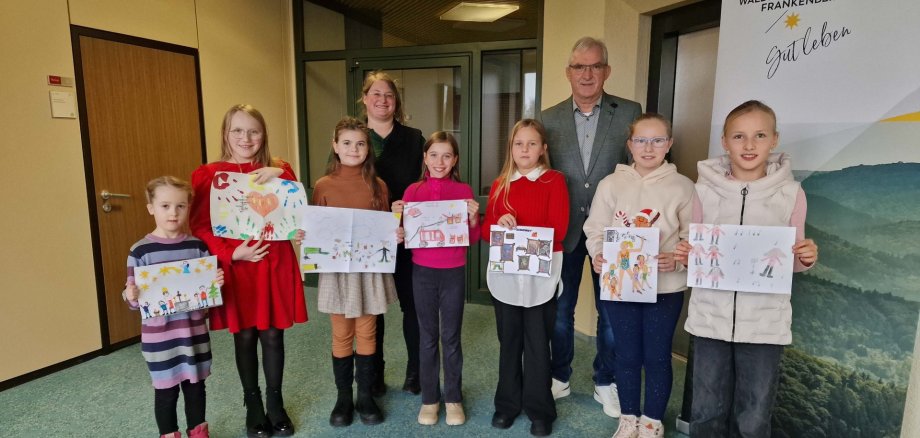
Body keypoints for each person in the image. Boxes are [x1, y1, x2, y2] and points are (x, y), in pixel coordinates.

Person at [674, 100, 819, 438]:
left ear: (774, 139)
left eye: (760, 135)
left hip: (765, 325)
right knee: (706, 411)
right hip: (710, 320)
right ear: (724, 141)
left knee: (754, 417)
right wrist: (687, 254)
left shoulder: (791, 194)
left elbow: (792, 261)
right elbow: (696, 252)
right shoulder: (703, 191)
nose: (749, 145)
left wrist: (806, 256)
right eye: (739, 136)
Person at [190, 104, 307, 438]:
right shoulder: (209, 174)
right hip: (239, 266)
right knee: (244, 335)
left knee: (273, 334)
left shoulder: (280, 168)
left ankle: (275, 402)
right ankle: (252, 404)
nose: (246, 138)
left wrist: (279, 173)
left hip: (274, 262)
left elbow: (296, 213)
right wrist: (231, 253)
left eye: (253, 131)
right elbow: (200, 226)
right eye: (237, 130)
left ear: (263, 134)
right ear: (225, 134)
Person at [540, 36, 642, 417]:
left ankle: (605, 381)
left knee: (611, 312)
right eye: (579, 66)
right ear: (568, 72)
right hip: (563, 230)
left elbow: (640, 170)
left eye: (595, 66)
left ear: (607, 71)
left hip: (613, 233)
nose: (587, 74)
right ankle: (559, 376)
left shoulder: (630, 112)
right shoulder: (548, 118)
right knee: (560, 310)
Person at [583, 114, 696, 438]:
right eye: (641, 140)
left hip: (666, 289)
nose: (649, 148)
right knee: (627, 354)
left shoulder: (684, 186)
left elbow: (693, 237)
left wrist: (677, 260)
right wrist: (599, 253)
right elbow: (595, 228)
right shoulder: (611, 184)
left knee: (657, 356)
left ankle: (651, 421)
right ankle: (629, 417)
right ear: (630, 144)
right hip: (621, 286)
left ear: (669, 144)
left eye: (657, 140)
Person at [481, 119, 569, 437]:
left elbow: (559, 229)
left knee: (537, 345)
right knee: (509, 343)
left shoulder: (554, 181)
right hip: (506, 277)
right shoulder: (500, 184)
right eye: (519, 144)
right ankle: (506, 405)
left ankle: (540, 410)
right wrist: (500, 224)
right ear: (511, 148)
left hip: (540, 278)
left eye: (532, 144)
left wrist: (521, 232)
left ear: (543, 148)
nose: (525, 150)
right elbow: (487, 231)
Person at [123, 176, 224, 438]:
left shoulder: (197, 247)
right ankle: (169, 434)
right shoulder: (140, 251)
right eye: (165, 206)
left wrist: (215, 284)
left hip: (194, 334)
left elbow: (208, 297)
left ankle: (198, 431)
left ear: (188, 207)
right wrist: (130, 294)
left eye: (181, 206)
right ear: (151, 208)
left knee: (196, 388)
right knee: (166, 392)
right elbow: (134, 300)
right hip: (160, 340)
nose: (173, 213)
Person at [391, 131, 480, 426]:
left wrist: (473, 219)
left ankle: (453, 397)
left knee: (451, 337)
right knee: (427, 336)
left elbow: (473, 238)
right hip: (422, 272)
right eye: (433, 155)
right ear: (425, 158)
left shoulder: (463, 190)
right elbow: (402, 236)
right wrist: (396, 225)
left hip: (454, 272)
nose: (439, 162)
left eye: (446, 156)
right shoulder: (413, 191)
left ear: (455, 160)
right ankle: (430, 398)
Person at [313, 117, 398, 427]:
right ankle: (343, 398)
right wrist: (305, 236)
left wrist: (395, 233)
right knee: (341, 334)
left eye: (360, 143)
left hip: (369, 271)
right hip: (337, 272)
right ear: (335, 146)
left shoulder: (379, 186)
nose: (353, 149)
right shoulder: (323, 185)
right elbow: (316, 228)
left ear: (368, 149)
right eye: (347, 143)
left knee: (367, 331)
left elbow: (384, 228)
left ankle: (364, 396)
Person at [360, 71, 427, 395]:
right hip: (367, 238)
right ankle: (374, 373)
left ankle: (415, 372)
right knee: (373, 308)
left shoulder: (414, 139)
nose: (382, 100)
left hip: (407, 235)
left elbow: (428, 182)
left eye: (388, 94)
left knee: (412, 306)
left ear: (396, 101)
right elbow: (335, 179)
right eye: (376, 93)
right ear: (364, 99)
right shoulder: (355, 137)